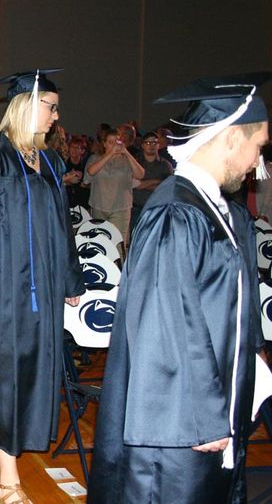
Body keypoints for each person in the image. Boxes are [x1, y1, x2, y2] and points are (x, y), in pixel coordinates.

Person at [89, 73, 270, 503]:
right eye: (258, 146)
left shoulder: (210, 206)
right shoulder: (177, 212)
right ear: (229, 139)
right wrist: (203, 415)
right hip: (179, 427)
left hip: (203, 414)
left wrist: (248, 365)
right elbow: (168, 324)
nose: (257, 161)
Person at [0, 70, 84, 504]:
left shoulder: (49, 162)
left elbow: (63, 226)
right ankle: (8, 478)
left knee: (36, 369)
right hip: (5, 288)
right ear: (27, 106)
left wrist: (68, 278)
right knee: (5, 374)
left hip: (42, 285)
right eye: (50, 106)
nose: (56, 116)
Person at [85, 127, 145, 247]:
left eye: (116, 142)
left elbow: (141, 174)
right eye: (110, 142)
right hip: (99, 206)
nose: (114, 145)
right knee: (100, 242)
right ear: (104, 143)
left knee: (118, 244)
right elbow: (91, 171)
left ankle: (119, 265)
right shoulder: (95, 158)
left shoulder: (126, 160)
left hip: (121, 208)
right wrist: (110, 154)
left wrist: (126, 152)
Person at [130, 130, 173, 232]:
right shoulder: (135, 162)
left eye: (154, 142)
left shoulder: (165, 165)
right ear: (143, 145)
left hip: (157, 209)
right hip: (136, 209)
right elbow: (132, 184)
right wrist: (157, 181)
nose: (151, 145)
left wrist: (141, 183)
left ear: (158, 145)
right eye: (148, 143)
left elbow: (166, 188)